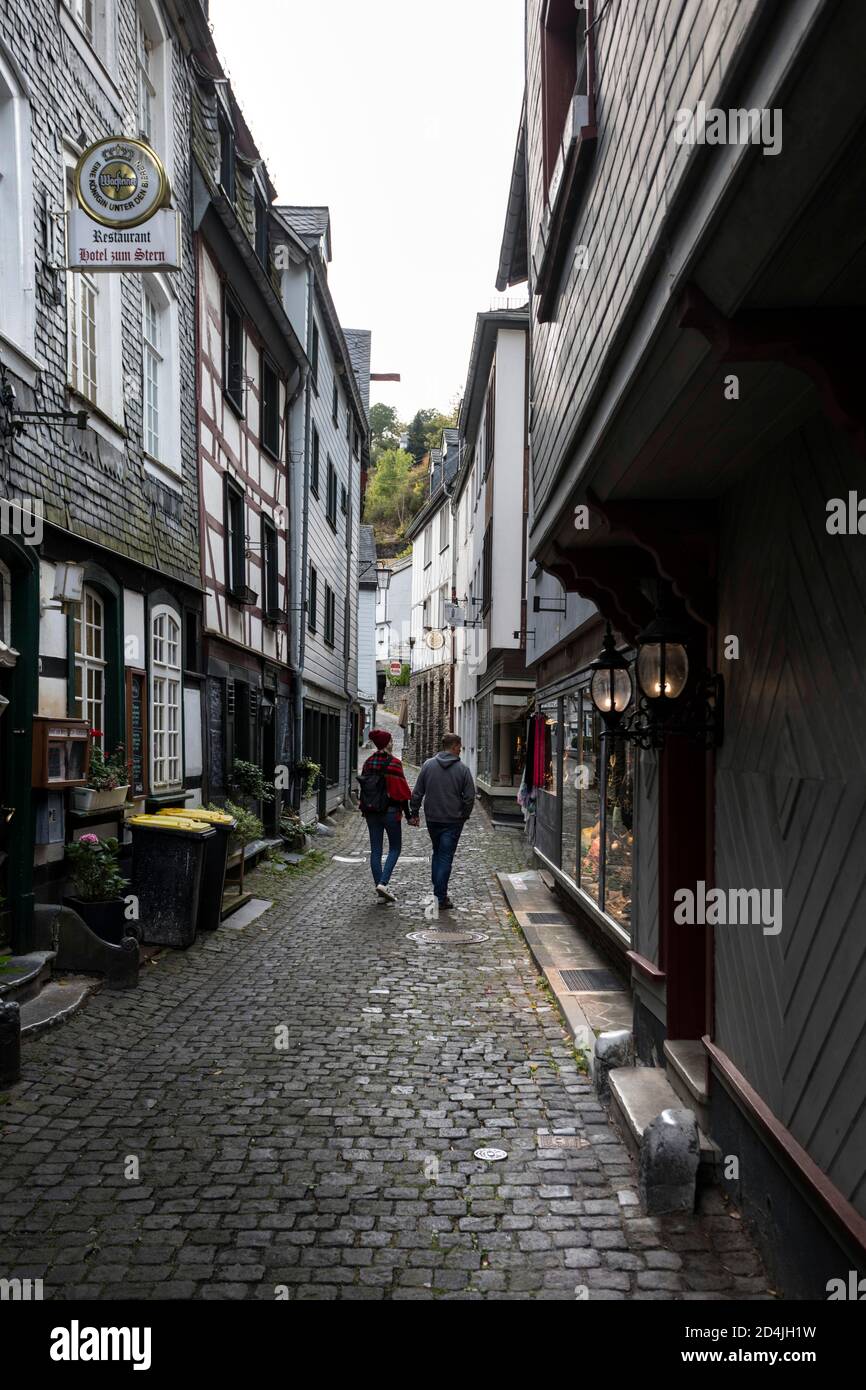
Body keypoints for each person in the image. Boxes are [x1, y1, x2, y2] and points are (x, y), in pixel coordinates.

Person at [409, 732, 475, 910]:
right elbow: (470, 797)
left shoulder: (428, 765)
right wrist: (464, 814)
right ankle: (440, 895)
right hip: (453, 820)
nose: (460, 751)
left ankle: (439, 889)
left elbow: (417, 792)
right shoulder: (463, 769)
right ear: (454, 747)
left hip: (433, 818)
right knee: (445, 856)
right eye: (459, 748)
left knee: (437, 852)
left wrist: (414, 812)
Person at [358, 729, 414, 903]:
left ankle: (380, 888)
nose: (392, 742)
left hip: (371, 812)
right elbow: (402, 793)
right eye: (390, 740)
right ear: (387, 743)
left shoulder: (368, 762)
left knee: (375, 850)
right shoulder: (394, 763)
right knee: (395, 848)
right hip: (390, 812)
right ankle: (383, 883)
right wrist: (409, 815)